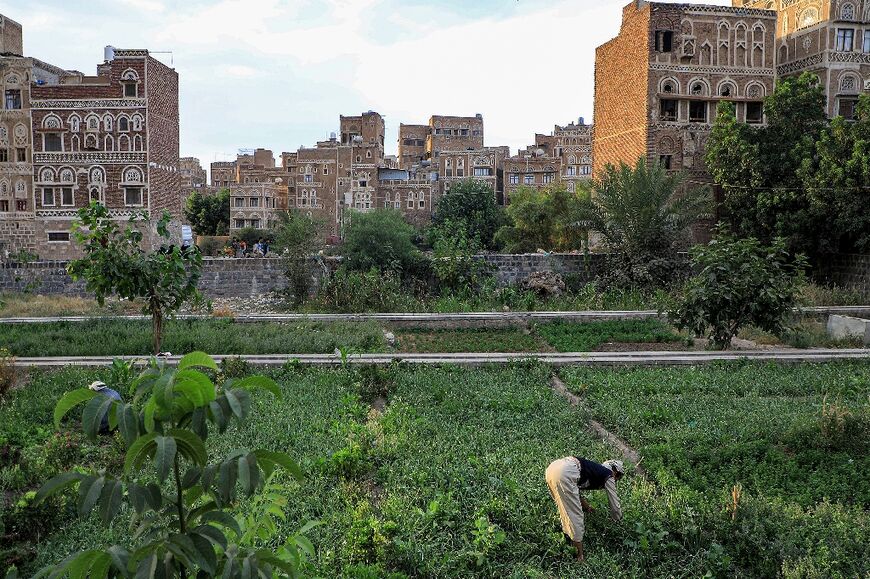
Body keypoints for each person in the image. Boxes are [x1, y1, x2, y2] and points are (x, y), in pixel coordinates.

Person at [545, 456, 624, 562]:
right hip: (565, 472)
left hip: (553, 468)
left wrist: (587, 508)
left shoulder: (594, 470)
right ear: (615, 471)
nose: (616, 480)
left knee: (565, 507)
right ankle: (579, 556)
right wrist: (617, 520)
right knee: (575, 515)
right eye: (618, 477)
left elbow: (575, 492)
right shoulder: (608, 475)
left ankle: (566, 536)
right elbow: (615, 505)